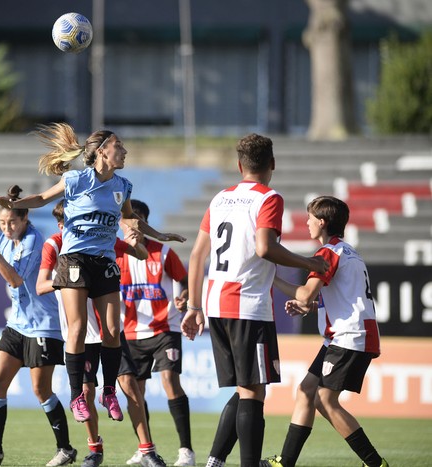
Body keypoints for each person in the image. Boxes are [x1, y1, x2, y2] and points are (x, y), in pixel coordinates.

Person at [0, 122, 185, 426]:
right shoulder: (76, 180)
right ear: (103, 150)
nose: (124, 149)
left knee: (111, 331)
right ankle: (77, 396)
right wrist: (12, 204)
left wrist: (159, 234)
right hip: (75, 260)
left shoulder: (122, 186)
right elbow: (42, 199)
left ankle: (108, 391)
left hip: (104, 261)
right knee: (78, 329)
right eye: (118, 144)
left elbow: (130, 219)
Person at [180, 133, 330, 467]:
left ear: (239, 165)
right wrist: (308, 262)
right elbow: (265, 247)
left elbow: (197, 255)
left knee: (245, 388)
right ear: (272, 164)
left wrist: (193, 307)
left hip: (216, 303)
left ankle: (215, 461)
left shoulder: (220, 198)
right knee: (253, 392)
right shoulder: (269, 198)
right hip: (246, 305)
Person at [37, 200, 166, 467]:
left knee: (129, 385)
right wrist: (73, 282)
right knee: (85, 391)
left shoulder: (99, 240)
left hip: (108, 333)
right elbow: (40, 286)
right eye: (63, 224)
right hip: (80, 335)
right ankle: (95, 449)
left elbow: (141, 253)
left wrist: (133, 242)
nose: (67, 227)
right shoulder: (54, 245)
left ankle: (147, 449)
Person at [260, 196, 387, 467]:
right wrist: (312, 305)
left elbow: (305, 294)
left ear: (322, 222)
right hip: (345, 336)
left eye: (309, 218)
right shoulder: (347, 250)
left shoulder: (327, 252)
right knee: (306, 390)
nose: (306, 223)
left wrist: (271, 278)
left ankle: (375, 463)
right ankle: (286, 462)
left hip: (349, 337)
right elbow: (339, 297)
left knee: (324, 400)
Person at [0, 185, 76, 467]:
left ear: (25, 220)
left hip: (43, 326)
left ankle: (66, 449)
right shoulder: (4, 238)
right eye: (2, 222)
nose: (7, 227)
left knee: (41, 390)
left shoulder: (35, 241)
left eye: (12, 222)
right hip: (17, 325)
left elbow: (15, 280)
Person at [118, 199, 196, 467]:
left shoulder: (162, 253)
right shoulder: (115, 255)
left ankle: (186, 450)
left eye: (137, 219)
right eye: (127, 219)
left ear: (146, 224)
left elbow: (183, 280)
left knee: (169, 381)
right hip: (130, 333)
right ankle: (145, 447)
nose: (132, 225)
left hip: (165, 327)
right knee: (134, 392)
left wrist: (184, 296)